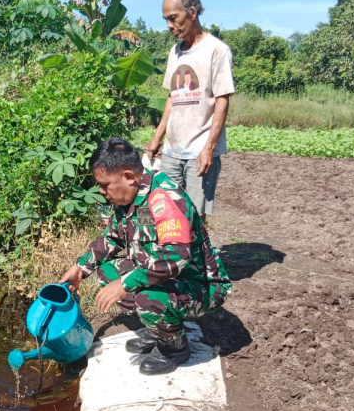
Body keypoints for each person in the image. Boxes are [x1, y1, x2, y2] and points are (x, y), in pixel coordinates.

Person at [60, 138, 231, 375]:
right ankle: (158, 328)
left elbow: (176, 255)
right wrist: (80, 268)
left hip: (202, 284)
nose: (101, 191)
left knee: (146, 298)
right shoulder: (129, 197)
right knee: (107, 273)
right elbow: (113, 237)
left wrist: (126, 283)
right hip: (169, 277)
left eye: (104, 184)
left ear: (129, 176)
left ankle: (175, 348)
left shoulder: (164, 197)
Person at [145, 0, 235, 227]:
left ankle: (198, 264)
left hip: (199, 151)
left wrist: (209, 148)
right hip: (173, 151)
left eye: (173, 18)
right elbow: (172, 98)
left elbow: (222, 100)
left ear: (192, 12)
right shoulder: (174, 53)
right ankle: (175, 263)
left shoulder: (217, 50)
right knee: (167, 213)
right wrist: (157, 139)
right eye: (166, 19)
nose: (169, 25)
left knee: (195, 218)